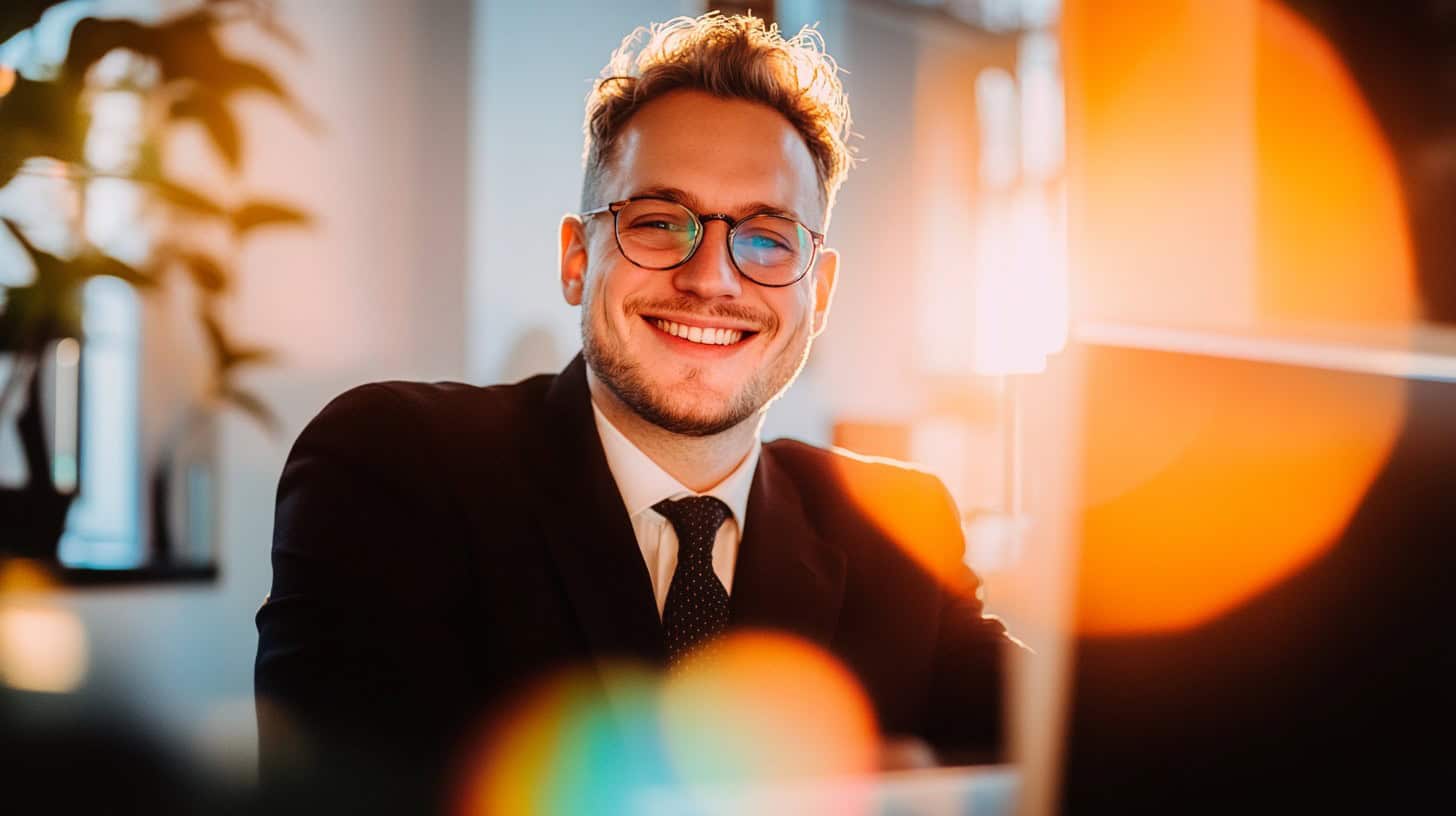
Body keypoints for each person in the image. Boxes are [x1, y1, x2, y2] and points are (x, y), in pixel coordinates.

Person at [254, 12, 1017, 802]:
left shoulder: (896, 524)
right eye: (659, 222)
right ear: (577, 261)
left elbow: (1101, 743)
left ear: (817, 293)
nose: (713, 278)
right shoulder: (394, 466)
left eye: (767, 237)